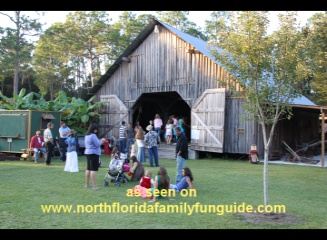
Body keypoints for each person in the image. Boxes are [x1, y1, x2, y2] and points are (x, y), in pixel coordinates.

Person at [84, 123, 105, 190]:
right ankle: (94, 186)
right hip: (94, 153)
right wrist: (102, 141)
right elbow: (97, 144)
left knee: (88, 168)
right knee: (93, 169)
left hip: (87, 152)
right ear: (94, 130)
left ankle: (87, 184)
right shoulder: (93, 136)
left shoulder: (87, 135)